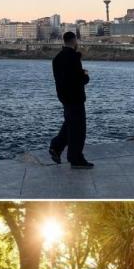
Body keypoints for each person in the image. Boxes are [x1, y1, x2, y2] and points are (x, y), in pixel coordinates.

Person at [49, 31, 93, 169]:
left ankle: (56, 147)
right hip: (75, 97)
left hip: (64, 97)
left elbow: (61, 79)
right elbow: (79, 79)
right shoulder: (74, 57)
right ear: (74, 40)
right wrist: (85, 75)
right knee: (78, 129)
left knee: (70, 124)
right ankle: (75, 158)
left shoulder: (57, 59)